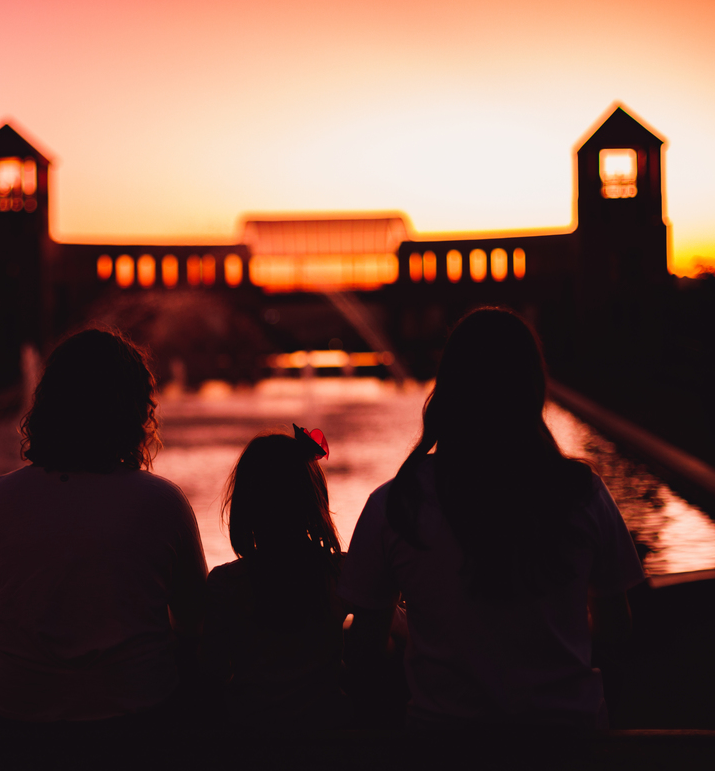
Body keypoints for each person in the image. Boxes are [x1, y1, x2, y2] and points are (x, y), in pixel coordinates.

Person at [338, 307, 645, 730]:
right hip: (568, 740)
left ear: (448, 389)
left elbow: (366, 650)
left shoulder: (395, 504)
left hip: (444, 743)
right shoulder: (582, 494)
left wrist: (421, 635)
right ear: (532, 388)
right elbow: (616, 630)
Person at [0, 328, 207, 724]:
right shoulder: (160, 501)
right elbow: (196, 621)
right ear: (134, 410)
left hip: (18, 711)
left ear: (48, 403)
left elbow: (10, 605)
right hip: (136, 713)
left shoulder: (0, 497)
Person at [200, 427, 351, 728]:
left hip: (253, 736)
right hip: (328, 734)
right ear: (314, 501)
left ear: (245, 505)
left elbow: (211, 672)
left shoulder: (225, 584)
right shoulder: (342, 573)